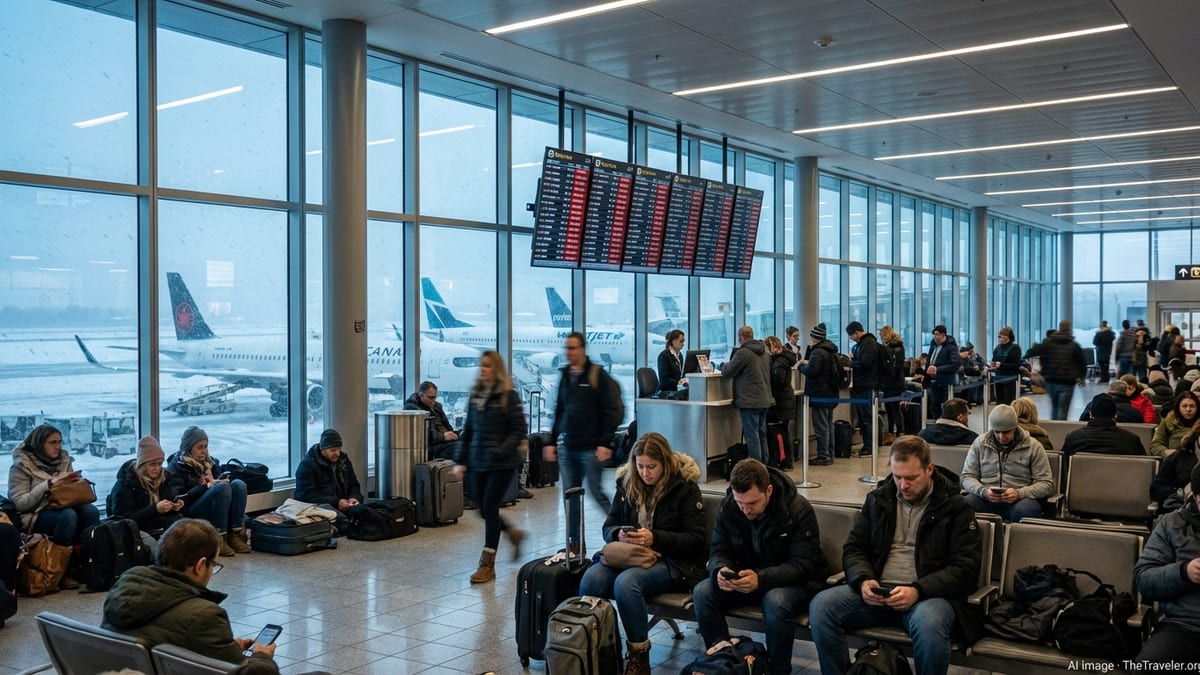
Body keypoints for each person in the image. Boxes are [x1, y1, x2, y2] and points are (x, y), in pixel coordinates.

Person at [808, 436, 982, 675]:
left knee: (930, 624)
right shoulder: (878, 499)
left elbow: (966, 568)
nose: (902, 485)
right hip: (879, 591)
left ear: (929, 469)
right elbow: (855, 549)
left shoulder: (956, 508)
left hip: (927, 597)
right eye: (897, 477)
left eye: (911, 478)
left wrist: (917, 590)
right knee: (821, 607)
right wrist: (863, 580)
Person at [579, 433, 706, 675]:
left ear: (665, 464)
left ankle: (639, 655)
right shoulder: (627, 483)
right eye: (640, 466)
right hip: (631, 555)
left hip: (675, 562)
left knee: (627, 584)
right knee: (591, 580)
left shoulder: (685, 487)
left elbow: (696, 541)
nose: (645, 473)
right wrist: (619, 534)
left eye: (652, 467)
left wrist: (655, 538)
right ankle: (599, 649)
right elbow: (609, 527)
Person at [693, 459, 825, 675]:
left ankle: (777, 670)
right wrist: (720, 571)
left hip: (795, 584)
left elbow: (804, 565)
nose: (745, 510)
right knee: (703, 592)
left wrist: (761, 578)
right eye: (740, 502)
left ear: (769, 490)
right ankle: (723, 663)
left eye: (752, 503)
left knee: (776, 601)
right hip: (747, 580)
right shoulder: (729, 507)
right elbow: (718, 550)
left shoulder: (797, 509)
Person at [101, 519, 280, 671]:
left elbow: (163, 635)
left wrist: (225, 648)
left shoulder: (125, 585)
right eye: (214, 565)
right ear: (200, 565)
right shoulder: (204, 615)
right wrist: (263, 658)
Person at [454, 351, 527, 584]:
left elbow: (519, 430)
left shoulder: (508, 396)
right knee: (482, 509)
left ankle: (487, 564)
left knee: (490, 507)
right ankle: (513, 533)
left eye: (487, 366)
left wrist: (501, 449)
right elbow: (469, 430)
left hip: (501, 463)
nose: (483, 369)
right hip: (479, 460)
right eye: (481, 366)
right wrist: (460, 460)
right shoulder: (476, 395)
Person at [545, 332, 623, 541]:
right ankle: (574, 543)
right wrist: (551, 441)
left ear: (582, 350)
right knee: (570, 496)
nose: (569, 353)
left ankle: (622, 530)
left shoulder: (598, 376)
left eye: (573, 348)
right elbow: (560, 410)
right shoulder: (565, 377)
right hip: (568, 447)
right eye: (567, 348)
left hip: (591, 448)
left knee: (596, 492)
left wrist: (605, 442)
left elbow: (613, 411)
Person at [1133, 464, 1200, 666]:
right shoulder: (1172, 524)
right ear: (1195, 498)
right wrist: (1184, 572)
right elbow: (1144, 579)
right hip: (1184, 627)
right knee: (1150, 665)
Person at [8, 423, 101, 559]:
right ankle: (60, 562)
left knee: (90, 511)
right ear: (39, 444)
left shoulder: (63, 460)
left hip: (63, 504)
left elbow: (69, 493)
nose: (57, 446)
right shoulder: (21, 466)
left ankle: (89, 558)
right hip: (36, 514)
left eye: (59, 442)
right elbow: (21, 504)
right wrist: (46, 485)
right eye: (52, 442)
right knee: (68, 516)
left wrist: (73, 483)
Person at [960, 404, 1054, 523]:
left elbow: (1046, 484)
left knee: (1025, 510)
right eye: (997, 432)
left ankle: (1016, 541)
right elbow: (966, 476)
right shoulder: (980, 443)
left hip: (1019, 500)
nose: (1001, 437)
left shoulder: (1033, 446)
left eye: (1006, 432)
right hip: (985, 498)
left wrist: (1019, 493)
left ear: (1015, 428)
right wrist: (982, 491)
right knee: (963, 505)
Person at [165, 427, 251, 557]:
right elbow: (178, 499)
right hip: (191, 510)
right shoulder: (177, 466)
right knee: (222, 488)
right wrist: (206, 486)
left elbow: (218, 484)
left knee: (238, 485)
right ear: (189, 448)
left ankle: (235, 534)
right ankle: (219, 537)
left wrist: (218, 479)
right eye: (199, 447)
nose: (204, 451)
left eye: (205, 446)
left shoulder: (211, 463)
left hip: (213, 504)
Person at [108, 435, 184, 543]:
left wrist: (174, 504)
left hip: (158, 524)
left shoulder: (163, 478)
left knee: (183, 525)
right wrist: (155, 509)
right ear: (142, 465)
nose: (157, 469)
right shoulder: (125, 484)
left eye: (160, 464)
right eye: (152, 465)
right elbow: (123, 520)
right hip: (136, 530)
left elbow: (166, 499)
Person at [720, 325, 774, 464]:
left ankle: (756, 468)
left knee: (752, 436)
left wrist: (723, 365)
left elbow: (728, 372)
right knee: (762, 434)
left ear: (741, 337)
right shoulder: (764, 352)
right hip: (764, 398)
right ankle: (764, 465)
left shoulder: (743, 353)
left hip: (750, 400)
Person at [294, 428, 364, 525]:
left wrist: (354, 498)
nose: (338, 453)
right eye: (333, 450)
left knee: (367, 512)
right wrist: (336, 502)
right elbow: (306, 495)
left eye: (339, 449)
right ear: (323, 449)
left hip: (343, 503)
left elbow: (353, 484)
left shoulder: (343, 460)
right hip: (320, 506)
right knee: (344, 519)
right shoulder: (307, 465)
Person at [1061, 394, 1147, 463]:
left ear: (1090, 415)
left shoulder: (1073, 438)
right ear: (1115, 416)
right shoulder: (1131, 440)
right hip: (1121, 483)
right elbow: (1142, 466)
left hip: (1081, 483)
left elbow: (1064, 466)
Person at [799, 323, 840, 466]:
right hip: (831, 393)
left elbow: (812, 372)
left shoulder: (818, 352)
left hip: (819, 393)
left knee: (821, 426)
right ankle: (830, 453)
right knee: (828, 425)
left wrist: (801, 366)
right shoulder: (830, 351)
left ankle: (823, 455)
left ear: (814, 337)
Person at [845, 321, 883, 458]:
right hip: (863, 385)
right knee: (865, 417)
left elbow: (866, 363)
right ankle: (868, 445)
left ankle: (870, 446)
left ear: (856, 332)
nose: (850, 338)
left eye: (850, 335)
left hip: (867, 385)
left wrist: (850, 362)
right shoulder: (863, 344)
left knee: (867, 417)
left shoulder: (868, 344)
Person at [1039, 320, 1086, 420]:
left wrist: (1044, 374)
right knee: (1063, 410)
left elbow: (1043, 360)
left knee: (1054, 407)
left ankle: (1054, 431)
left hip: (1051, 380)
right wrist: (1081, 377)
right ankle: (1061, 431)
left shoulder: (1048, 343)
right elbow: (1081, 362)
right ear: (1069, 328)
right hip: (1067, 382)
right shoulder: (1074, 345)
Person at [404, 381, 459, 461]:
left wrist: (455, 434)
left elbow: (447, 426)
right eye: (430, 397)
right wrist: (443, 436)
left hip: (444, 442)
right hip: (430, 446)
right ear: (421, 395)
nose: (433, 401)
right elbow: (421, 437)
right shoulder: (412, 409)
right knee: (460, 448)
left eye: (435, 397)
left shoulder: (437, 406)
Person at [1150, 425, 1200, 512]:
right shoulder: (1178, 457)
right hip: (1180, 510)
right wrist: (1180, 492)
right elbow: (1156, 489)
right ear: (1197, 435)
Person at [765, 336, 797, 469]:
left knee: (780, 432)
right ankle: (786, 460)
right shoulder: (785, 358)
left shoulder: (778, 362)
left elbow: (779, 380)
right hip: (786, 399)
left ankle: (783, 460)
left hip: (781, 401)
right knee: (784, 431)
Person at [925, 325, 961, 421]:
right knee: (934, 404)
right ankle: (937, 422)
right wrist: (928, 369)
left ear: (943, 335)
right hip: (934, 380)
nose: (935, 336)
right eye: (934, 334)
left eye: (937, 334)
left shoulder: (951, 347)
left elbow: (955, 364)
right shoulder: (933, 346)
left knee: (947, 406)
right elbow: (929, 360)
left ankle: (946, 423)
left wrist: (938, 369)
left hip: (946, 381)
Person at [878, 325, 907, 444]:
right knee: (894, 409)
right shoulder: (899, 348)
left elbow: (892, 367)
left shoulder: (890, 349)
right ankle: (897, 432)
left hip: (891, 383)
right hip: (897, 382)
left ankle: (895, 433)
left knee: (893, 409)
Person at [1151, 392, 1200, 458]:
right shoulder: (1169, 421)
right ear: (1178, 407)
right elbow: (1155, 444)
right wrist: (1166, 452)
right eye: (1184, 406)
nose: (1188, 409)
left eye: (1192, 406)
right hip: (1174, 461)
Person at [1078, 380, 1145, 423]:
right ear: (1126, 392)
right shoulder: (1134, 413)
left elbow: (1081, 423)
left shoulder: (1092, 405)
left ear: (1109, 390)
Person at [989, 326, 1023, 405]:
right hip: (998, 378)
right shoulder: (997, 348)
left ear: (1008, 337)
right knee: (1000, 402)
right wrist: (992, 365)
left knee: (1009, 402)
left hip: (1010, 379)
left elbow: (1016, 365)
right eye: (999, 336)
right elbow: (994, 359)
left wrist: (1002, 365)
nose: (1000, 338)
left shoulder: (1015, 348)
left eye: (1002, 336)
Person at [656, 329, 686, 394]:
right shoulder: (664, 356)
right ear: (673, 341)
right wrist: (678, 382)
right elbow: (664, 380)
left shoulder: (680, 355)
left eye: (683, 341)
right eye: (681, 341)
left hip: (677, 389)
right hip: (666, 391)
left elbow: (680, 374)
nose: (683, 344)